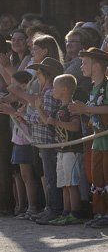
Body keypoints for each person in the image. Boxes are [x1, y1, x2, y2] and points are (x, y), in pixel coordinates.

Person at [1, 57, 64, 225]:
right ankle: (50, 209)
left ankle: (54, 209)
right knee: (48, 176)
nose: (37, 77)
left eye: (39, 73)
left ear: (47, 75)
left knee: (51, 177)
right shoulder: (43, 93)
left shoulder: (49, 93)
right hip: (42, 141)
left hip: (49, 141)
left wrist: (22, 114)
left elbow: (45, 118)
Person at [69, 47, 108, 228]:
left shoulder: (107, 86)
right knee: (97, 178)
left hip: (106, 141)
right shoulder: (93, 88)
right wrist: (81, 110)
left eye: (85, 62)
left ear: (97, 65)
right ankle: (100, 213)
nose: (81, 66)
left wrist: (86, 109)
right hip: (97, 140)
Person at [44, 74, 85, 225]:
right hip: (61, 150)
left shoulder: (71, 108)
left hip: (71, 150)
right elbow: (49, 123)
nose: (52, 90)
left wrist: (55, 122)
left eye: (55, 87)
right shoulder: (58, 109)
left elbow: (75, 126)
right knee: (63, 183)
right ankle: (66, 212)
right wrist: (39, 109)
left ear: (65, 89)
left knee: (71, 183)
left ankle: (75, 213)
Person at [6, 71, 40, 220]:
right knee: (21, 175)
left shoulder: (28, 103)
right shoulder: (22, 103)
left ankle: (32, 207)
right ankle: (24, 205)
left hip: (26, 142)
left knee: (27, 176)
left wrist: (13, 113)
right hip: (19, 141)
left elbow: (28, 121)